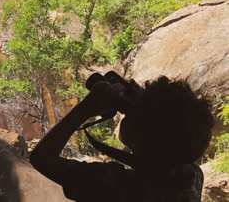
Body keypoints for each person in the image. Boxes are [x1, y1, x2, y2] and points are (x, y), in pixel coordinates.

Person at [30, 72, 215, 202]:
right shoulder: (190, 177)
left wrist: (86, 108)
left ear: (141, 135)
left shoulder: (116, 187)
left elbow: (41, 158)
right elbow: (165, 150)